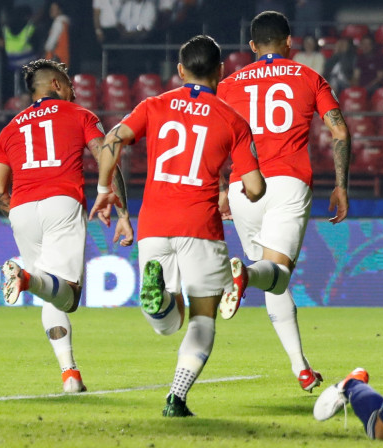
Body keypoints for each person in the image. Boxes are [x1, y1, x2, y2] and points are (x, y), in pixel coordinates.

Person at [89, 35, 265, 417]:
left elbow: (111, 140)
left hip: (154, 223)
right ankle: (176, 397)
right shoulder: (232, 120)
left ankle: (160, 299)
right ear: (221, 71)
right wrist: (244, 193)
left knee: (167, 322)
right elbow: (254, 186)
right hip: (200, 225)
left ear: (181, 71)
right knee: (203, 315)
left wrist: (104, 189)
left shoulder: (154, 105)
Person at [216, 10, 350, 392]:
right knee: (276, 273)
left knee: (276, 282)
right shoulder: (310, 77)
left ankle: (301, 368)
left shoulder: (229, 84)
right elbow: (339, 130)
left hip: (246, 189)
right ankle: (244, 275)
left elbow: (214, 139)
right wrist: (341, 185)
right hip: (287, 184)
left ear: (253, 47)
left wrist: (222, 186)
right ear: (289, 42)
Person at [0, 59, 132, 393]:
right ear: (56, 84)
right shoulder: (79, 115)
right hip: (61, 203)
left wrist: (21, 211)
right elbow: (105, 157)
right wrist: (122, 211)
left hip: (21, 210)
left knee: (49, 292)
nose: (73, 91)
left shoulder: (9, 129)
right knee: (68, 296)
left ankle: (70, 375)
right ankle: (25, 278)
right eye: (69, 84)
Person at [44, 1, 70, 66]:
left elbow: (50, 45)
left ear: (60, 10)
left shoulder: (58, 23)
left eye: (53, 9)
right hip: (64, 58)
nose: (51, 11)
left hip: (55, 58)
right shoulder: (65, 23)